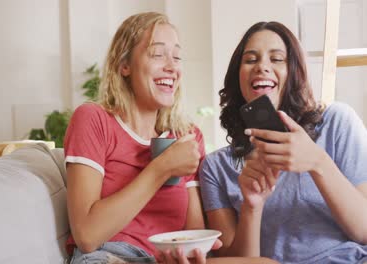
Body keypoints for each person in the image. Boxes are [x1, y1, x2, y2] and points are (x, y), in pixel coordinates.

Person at [64, 12, 276, 264]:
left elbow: (192, 231)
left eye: (176, 57)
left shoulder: (186, 136)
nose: (172, 66)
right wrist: (162, 168)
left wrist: (193, 251)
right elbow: (87, 235)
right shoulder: (94, 119)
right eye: (157, 54)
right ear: (124, 65)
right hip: (109, 255)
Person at [199, 21, 367, 263]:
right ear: (238, 77)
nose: (262, 67)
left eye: (277, 59)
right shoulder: (216, 167)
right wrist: (251, 206)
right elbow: (238, 262)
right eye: (250, 60)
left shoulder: (336, 123)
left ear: (294, 72)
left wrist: (318, 162)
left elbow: (363, 231)